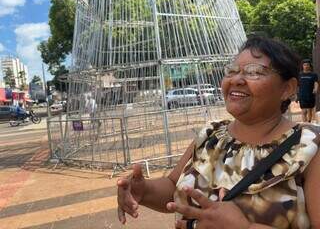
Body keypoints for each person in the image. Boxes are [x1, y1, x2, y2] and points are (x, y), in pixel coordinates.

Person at [117, 37, 320, 229]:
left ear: (287, 88)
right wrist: (144, 191)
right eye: (231, 71)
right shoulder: (211, 134)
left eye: (254, 72)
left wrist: (245, 227)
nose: (237, 79)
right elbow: (173, 187)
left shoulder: (309, 146)